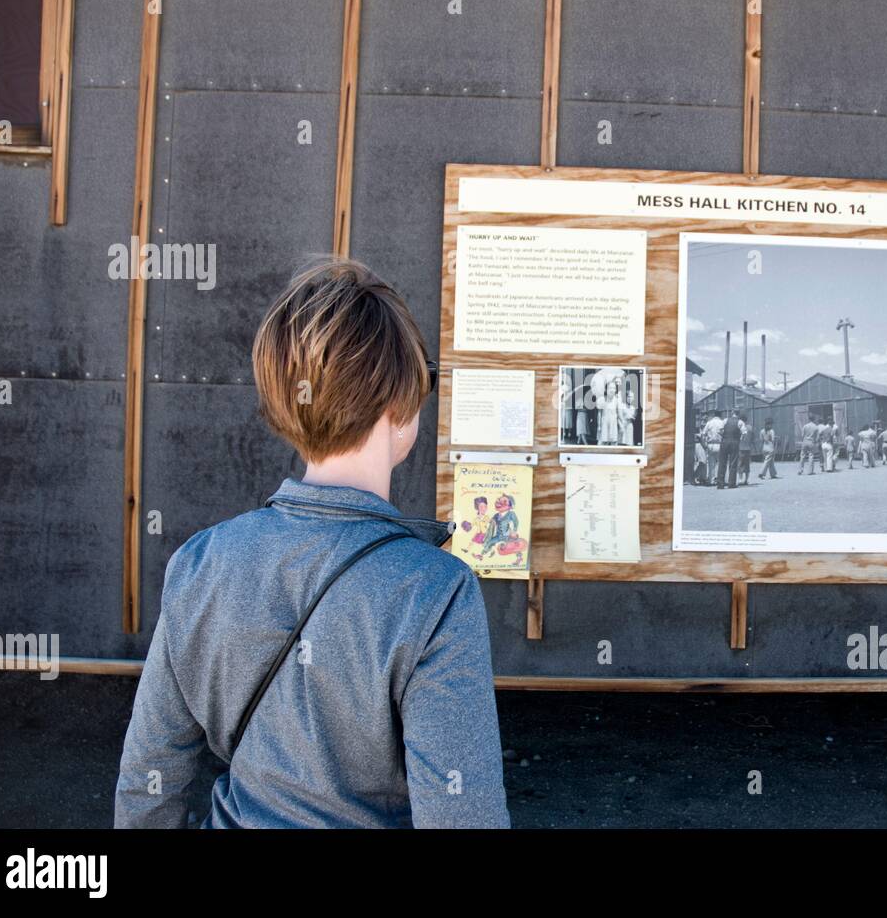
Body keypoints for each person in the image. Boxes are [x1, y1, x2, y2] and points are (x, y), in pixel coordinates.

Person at [114, 258, 509, 828]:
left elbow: (150, 776)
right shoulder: (435, 593)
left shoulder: (201, 562)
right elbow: (462, 816)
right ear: (400, 405)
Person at [718, 409, 742, 489]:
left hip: (724, 441)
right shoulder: (740, 422)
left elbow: (720, 431)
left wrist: (724, 436)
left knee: (722, 462)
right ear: (738, 414)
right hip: (734, 442)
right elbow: (744, 433)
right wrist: (739, 439)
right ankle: (731, 483)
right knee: (733, 463)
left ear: (732, 413)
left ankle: (720, 484)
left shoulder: (725, 420)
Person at [597, 378, 622, 445]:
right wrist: (599, 426)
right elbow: (599, 413)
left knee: (614, 441)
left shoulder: (617, 400)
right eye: (610, 388)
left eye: (614, 388)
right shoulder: (602, 399)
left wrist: (621, 425)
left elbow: (618, 414)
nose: (612, 390)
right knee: (602, 441)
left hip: (613, 423)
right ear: (606, 389)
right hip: (604, 423)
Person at [737, 414, 753, 484]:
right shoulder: (750, 427)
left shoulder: (739, 428)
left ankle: (740, 479)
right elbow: (752, 437)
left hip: (740, 447)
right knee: (747, 464)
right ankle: (746, 480)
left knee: (740, 464)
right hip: (748, 448)